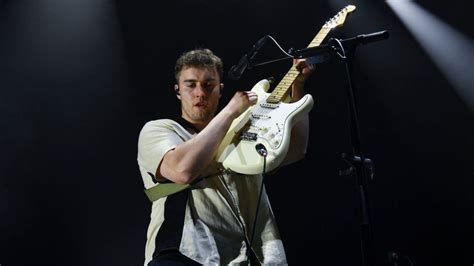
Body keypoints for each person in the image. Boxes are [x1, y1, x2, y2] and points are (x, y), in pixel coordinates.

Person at [137, 48, 314, 265]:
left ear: (220, 90)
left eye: (209, 85)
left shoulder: (244, 133)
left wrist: (298, 85)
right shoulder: (160, 130)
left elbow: (296, 150)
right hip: (186, 256)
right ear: (177, 91)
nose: (200, 93)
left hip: (253, 257)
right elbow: (182, 171)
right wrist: (230, 111)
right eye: (191, 85)